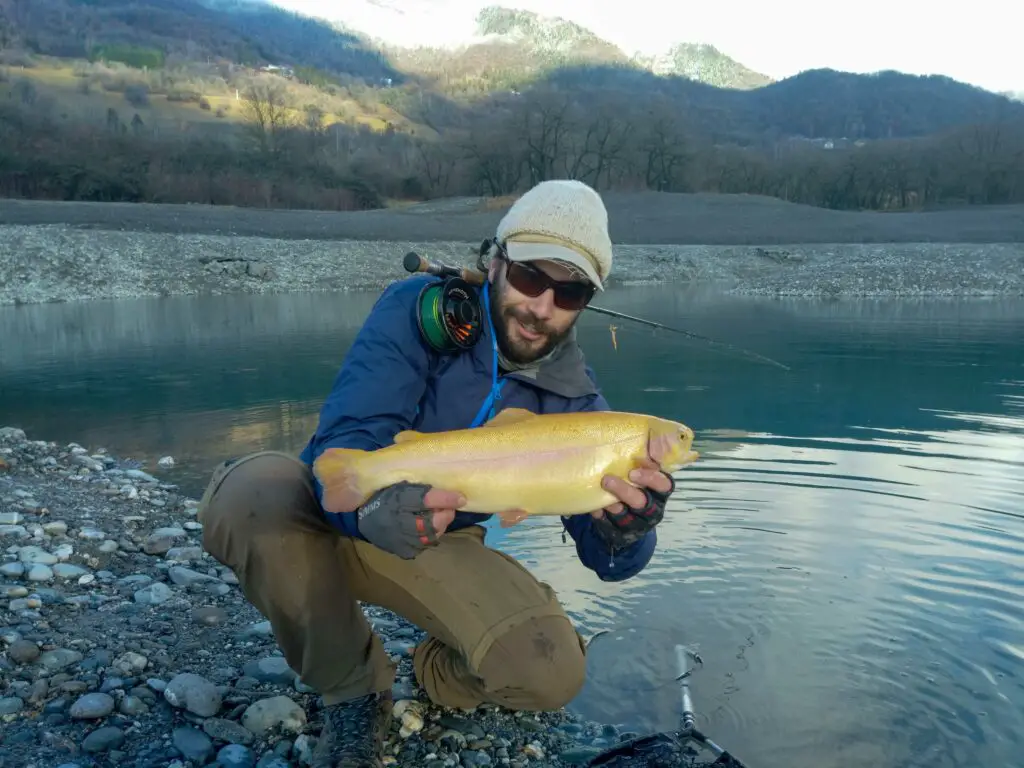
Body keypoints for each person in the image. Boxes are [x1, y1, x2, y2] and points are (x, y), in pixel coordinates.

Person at [197, 179, 675, 768]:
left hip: (444, 541)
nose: (542, 308)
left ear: (586, 300)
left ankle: (436, 674)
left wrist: (626, 532)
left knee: (549, 673)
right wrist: (368, 512)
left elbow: (606, 563)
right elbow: (345, 442)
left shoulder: (582, 406)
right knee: (251, 496)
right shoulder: (418, 310)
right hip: (344, 513)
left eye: (570, 291)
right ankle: (353, 691)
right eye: (529, 278)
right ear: (496, 262)